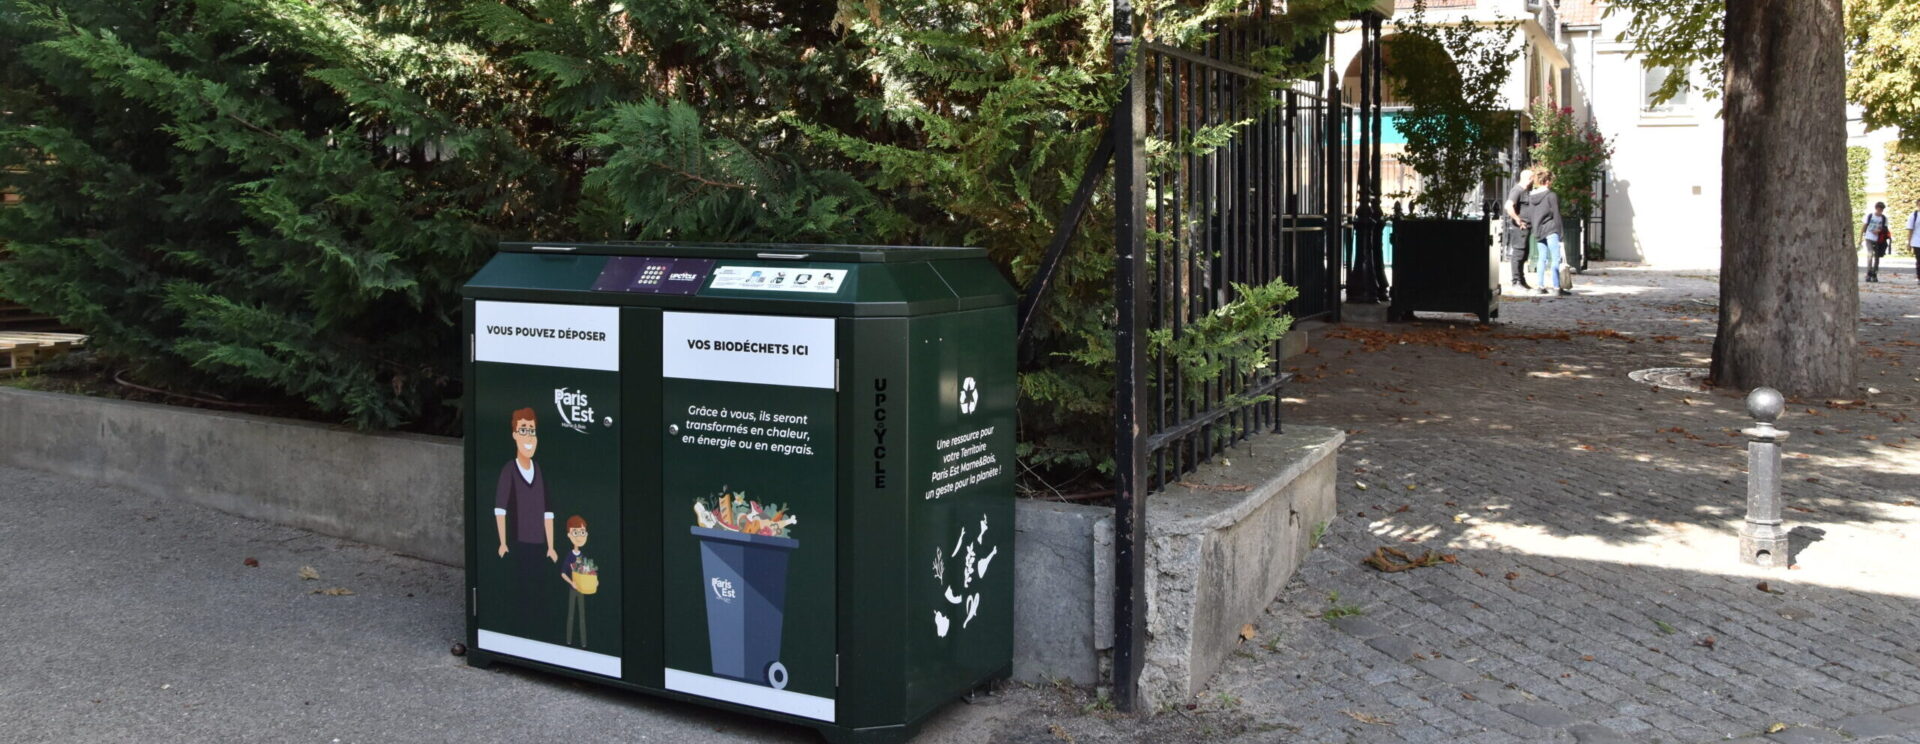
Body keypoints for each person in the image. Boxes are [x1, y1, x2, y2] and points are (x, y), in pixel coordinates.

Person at [496, 407, 557, 630]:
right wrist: (503, 543)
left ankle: (539, 628)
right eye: (523, 430)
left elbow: (548, 511)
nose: (529, 436)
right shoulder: (509, 470)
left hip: (539, 541)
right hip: (518, 541)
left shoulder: (538, 469)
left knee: (539, 584)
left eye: (532, 430)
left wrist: (551, 546)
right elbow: (500, 509)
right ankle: (520, 628)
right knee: (521, 584)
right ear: (514, 435)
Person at [1524, 171, 1568, 296]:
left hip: (1538, 230)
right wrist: (1561, 233)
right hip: (1551, 228)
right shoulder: (1551, 195)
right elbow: (1556, 214)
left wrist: (1534, 228)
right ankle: (1556, 287)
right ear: (1548, 181)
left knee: (1542, 258)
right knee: (1555, 258)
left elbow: (1529, 215)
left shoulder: (1531, 197)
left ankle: (1540, 286)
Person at [559, 515, 592, 647]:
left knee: (582, 617)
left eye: (582, 532)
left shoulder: (582, 556)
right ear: (569, 535)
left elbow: (587, 571)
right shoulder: (570, 555)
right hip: (573, 589)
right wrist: (571, 582)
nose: (580, 537)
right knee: (571, 615)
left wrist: (594, 581)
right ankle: (568, 641)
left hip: (582, 589)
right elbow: (563, 573)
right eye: (576, 533)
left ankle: (583, 643)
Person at [1502, 169, 1535, 290]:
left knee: (1524, 254)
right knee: (1518, 253)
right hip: (1520, 228)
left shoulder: (1526, 191)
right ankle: (1516, 281)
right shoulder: (1517, 190)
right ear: (1529, 179)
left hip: (1526, 227)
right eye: (1533, 178)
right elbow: (1508, 206)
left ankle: (1521, 279)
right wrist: (1517, 219)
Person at [1863, 201, 1891, 282]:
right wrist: (1862, 236)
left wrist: (1879, 231)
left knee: (1877, 257)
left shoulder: (1884, 218)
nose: (1880, 211)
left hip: (1879, 239)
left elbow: (1885, 229)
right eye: (1879, 209)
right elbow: (1864, 226)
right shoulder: (1870, 216)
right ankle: (1869, 272)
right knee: (1870, 254)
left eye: (1881, 210)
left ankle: (1874, 273)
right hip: (1869, 237)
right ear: (1876, 208)